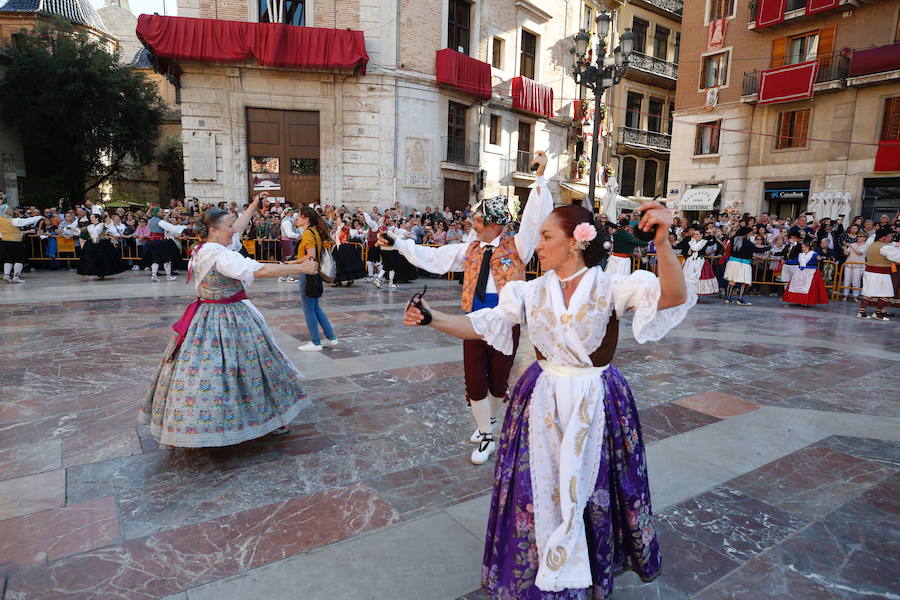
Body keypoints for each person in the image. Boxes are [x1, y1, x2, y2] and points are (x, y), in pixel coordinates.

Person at [402, 202, 693, 598]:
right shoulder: (528, 291)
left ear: (576, 242)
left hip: (596, 397)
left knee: (594, 487)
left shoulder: (612, 286)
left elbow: (673, 297)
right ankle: (539, 570)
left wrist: (662, 241)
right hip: (541, 399)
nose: (537, 245)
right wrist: (431, 317)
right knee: (537, 484)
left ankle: (585, 570)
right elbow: (479, 325)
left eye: (546, 236)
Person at [388, 151, 553, 465]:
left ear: (495, 225)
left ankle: (487, 426)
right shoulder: (470, 248)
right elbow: (435, 258)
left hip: (505, 321)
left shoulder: (518, 246)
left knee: (498, 379)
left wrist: (540, 177)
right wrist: (399, 244)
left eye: (479, 221)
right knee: (475, 378)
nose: (474, 226)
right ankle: (486, 432)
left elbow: (534, 217)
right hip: (473, 320)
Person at [140, 208, 318, 448]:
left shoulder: (202, 249)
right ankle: (256, 420)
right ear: (214, 231)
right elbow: (260, 270)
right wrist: (302, 269)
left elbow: (240, 232)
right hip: (229, 317)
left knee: (201, 370)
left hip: (203, 316)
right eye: (229, 226)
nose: (234, 230)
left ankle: (182, 426)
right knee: (250, 366)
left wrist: (253, 206)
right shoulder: (222, 256)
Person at [295, 207, 339, 351]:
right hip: (315, 272)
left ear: (306, 219)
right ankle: (331, 338)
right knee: (315, 307)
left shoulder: (308, 233)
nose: (297, 218)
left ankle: (315, 342)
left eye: (299, 216)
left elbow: (311, 255)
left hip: (308, 271)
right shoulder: (315, 231)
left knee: (308, 309)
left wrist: (293, 263)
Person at [857, 227, 897, 321]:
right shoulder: (885, 247)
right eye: (890, 235)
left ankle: (862, 312)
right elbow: (898, 257)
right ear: (884, 237)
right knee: (887, 293)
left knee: (868, 293)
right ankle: (877, 313)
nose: (891, 237)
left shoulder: (871, 245)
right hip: (881, 273)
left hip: (870, 272)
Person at [723, 226, 769, 306]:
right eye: (750, 232)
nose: (751, 234)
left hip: (733, 262)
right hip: (743, 264)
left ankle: (728, 298)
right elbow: (756, 250)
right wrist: (768, 247)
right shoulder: (746, 242)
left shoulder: (734, 239)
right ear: (747, 233)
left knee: (732, 281)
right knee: (743, 282)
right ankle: (740, 299)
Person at [76, 213, 127, 280]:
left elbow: (109, 224)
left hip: (101, 243)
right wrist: (70, 228)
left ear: (96, 218)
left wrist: (107, 215)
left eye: (92, 217)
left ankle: (102, 273)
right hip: (92, 244)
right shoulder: (89, 226)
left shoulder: (102, 225)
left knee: (102, 258)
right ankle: (94, 272)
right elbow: (80, 231)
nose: (91, 218)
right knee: (91, 258)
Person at [0, 203, 43, 283]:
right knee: (19, 260)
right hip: (15, 242)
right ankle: (16, 276)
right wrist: (39, 217)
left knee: (8, 260)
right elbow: (26, 221)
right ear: (6, 211)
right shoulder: (13, 220)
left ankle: (6, 275)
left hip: (4, 242)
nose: (11, 210)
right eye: (9, 209)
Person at [781, 238, 829, 307]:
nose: (801, 248)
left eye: (802, 247)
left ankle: (806, 301)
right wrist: (786, 261)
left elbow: (820, 260)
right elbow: (795, 262)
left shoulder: (814, 254)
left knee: (808, 287)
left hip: (810, 272)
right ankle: (799, 300)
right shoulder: (800, 255)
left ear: (807, 247)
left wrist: (821, 259)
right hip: (801, 272)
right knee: (798, 286)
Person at [682, 229, 718, 298]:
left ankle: (697, 292)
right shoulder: (691, 241)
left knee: (699, 276)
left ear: (701, 235)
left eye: (697, 234)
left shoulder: (704, 242)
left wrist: (712, 235)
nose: (695, 236)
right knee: (688, 275)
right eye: (694, 234)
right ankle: (689, 292)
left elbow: (713, 242)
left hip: (700, 261)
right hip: (691, 261)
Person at [332, 219, 366, 287]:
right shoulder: (338, 229)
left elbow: (345, 236)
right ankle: (339, 280)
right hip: (339, 248)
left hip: (344, 248)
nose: (335, 222)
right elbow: (334, 238)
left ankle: (349, 279)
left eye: (337, 221)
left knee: (346, 264)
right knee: (339, 264)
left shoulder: (345, 228)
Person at [278, 208, 301, 283]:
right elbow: (289, 234)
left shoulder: (289, 220)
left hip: (287, 241)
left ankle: (282, 276)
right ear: (288, 213)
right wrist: (300, 235)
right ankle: (289, 277)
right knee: (289, 258)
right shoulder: (287, 221)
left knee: (284, 259)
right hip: (288, 241)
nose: (292, 213)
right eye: (291, 212)